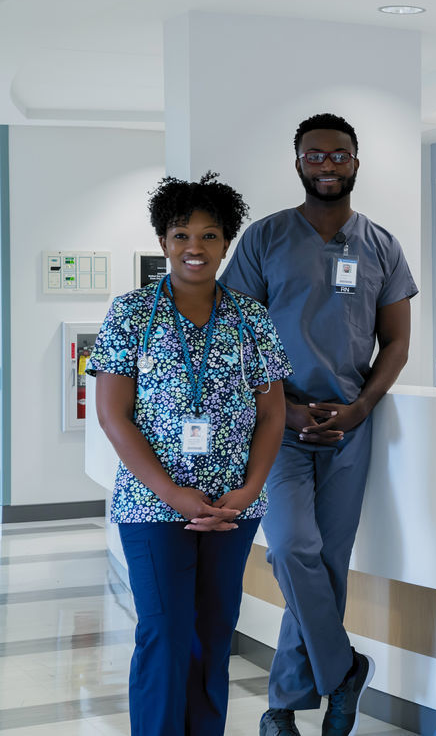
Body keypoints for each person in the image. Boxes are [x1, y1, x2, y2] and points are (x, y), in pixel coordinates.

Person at [221, 113, 418, 736]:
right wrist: (279, 403)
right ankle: (344, 669)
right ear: (298, 162)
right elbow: (236, 337)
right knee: (290, 547)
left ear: (356, 162)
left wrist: (361, 406)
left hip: (349, 427)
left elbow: (396, 344)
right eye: (315, 155)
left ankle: (281, 709)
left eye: (338, 155)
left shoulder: (382, 245)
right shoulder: (265, 239)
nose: (326, 165)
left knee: (328, 563)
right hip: (278, 425)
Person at [89, 173, 292, 736]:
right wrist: (175, 494)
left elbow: (272, 413)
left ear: (226, 242)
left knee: (213, 632)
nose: (194, 248)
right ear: (163, 242)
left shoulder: (251, 319)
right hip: (153, 507)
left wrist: (249, 491)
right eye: (182, 235)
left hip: (231, 507)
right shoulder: (131, 313)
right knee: (164, 631)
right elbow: (113, 415)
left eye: (208, 236)